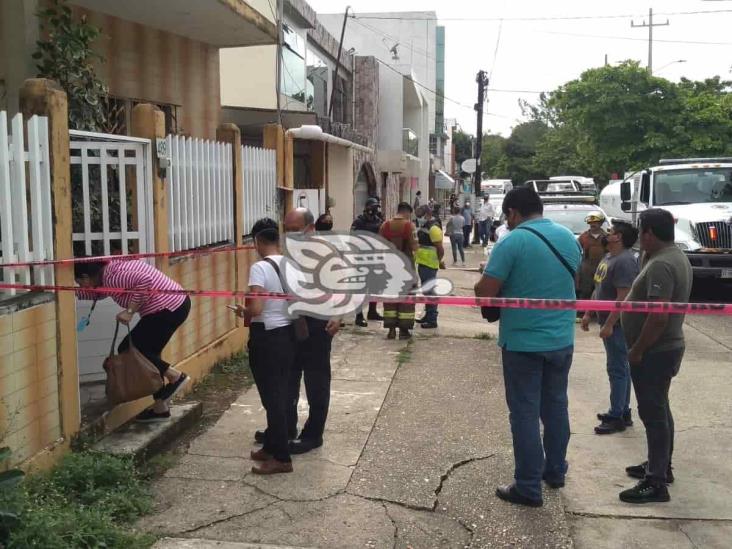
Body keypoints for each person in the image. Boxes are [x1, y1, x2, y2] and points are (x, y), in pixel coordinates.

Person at [475, 186, 581, 508]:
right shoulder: (568, 239)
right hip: (562, 339)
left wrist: (483, 279)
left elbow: (485, 294)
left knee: (524, 412)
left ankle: (528, 486)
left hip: (523, 342)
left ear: (512, 213)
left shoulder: (512, 241)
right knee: (556, 407)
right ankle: (555, 471)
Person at [618, 209, 692, 504]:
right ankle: (660, 465)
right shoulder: (669, 257)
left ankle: (656, 482)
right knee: (660, 408)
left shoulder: (663, 264)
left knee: (653, 414)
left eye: (641, 232)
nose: (639, 238)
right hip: (662, 348)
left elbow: (658, 316)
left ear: (650, 233)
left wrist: (638, 349)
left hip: (656, 350)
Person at [74, 259, 191, 423]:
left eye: (80, 283)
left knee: (131, 350)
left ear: (86, 277)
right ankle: (160, 408)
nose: (82, 287)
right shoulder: (107, 274)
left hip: (167, 308)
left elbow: (145, 281)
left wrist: (129, 311)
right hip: (174, 305)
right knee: (147, 356)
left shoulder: (113, 277)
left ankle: (175, 377)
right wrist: (69, 292)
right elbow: (98, 293)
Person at [234, 218, 295, 474]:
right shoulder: (291, 264)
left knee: (273, 397)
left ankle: (281, 458)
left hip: (267, 336)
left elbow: (256, 308)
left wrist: (243, 310)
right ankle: (271, 446)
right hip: (288, 334)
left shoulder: (259, 268)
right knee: (279, 392)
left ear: (258, 241)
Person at [279, 207, 341, 455]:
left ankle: (314, 434)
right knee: (288, 378)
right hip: (292, 323)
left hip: (318, 324)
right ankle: (285, 427)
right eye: (287, 229)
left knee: (316, 381)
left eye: (295, 229)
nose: (290, 234)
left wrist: (338, 315)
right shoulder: (288, 251)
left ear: (311, 228)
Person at [581, 221, 640, 435]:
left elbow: (623, 296)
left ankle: (617, 416)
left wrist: (609, 324)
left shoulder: (625, 261)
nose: (608, 234)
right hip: (608, 320)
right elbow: (599, 288)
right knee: (618, 368)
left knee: (618, 369)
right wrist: (589, 312)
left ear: (620, 238)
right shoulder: (608, 257)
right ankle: (621, 410)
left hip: (619, 325)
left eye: (613, 232)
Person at [379, 202, 419, 340]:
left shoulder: (385, 226)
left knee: (390, 299)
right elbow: (415, 248)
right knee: (406, 299)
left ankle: (391, 330)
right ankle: (404, 331)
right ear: (407, 212)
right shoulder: (410, 226)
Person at [351, 197, 385, 326]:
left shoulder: (379, 221)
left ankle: (372, 311)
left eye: (376, 207)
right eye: (373, 207)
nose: (375, 210)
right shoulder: (359, 222)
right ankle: (359, 316)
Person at [415, 205, 445, 329]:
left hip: (430, 264)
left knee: (430, 291)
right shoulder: (425, 226)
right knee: (426, 291)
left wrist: (439, 261)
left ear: (427, 214)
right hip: (423, 263)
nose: (419, 219)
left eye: (420, 216)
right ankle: (428, 316)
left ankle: (432, 319)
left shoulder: (433, 228)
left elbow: (440, 248)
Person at [578, 212, 608, 301]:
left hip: (602, 269)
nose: (592, 224)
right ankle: (583, 312)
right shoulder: (583, 237)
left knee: (602, 291)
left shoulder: (606, 237)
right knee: (585, 292)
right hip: (586, 270)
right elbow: (577, 251)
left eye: (595, 222)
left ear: (601, 223)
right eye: (590, 223)